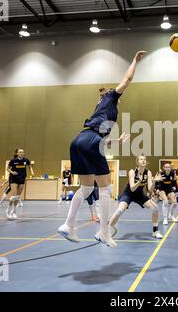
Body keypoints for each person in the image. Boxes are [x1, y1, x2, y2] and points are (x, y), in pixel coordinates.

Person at [57, 50, 146, 247]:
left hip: (79, 140)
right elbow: (128, 78)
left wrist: (118, 143)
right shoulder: (110, 99)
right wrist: (134, 60)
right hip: (89, 141)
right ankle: (104, 232)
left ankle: (68, 226)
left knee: (87, 187)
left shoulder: (103, 111)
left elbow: (99, 141)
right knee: (106, 189)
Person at [109, 155, 164, 239]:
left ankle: (155, 231)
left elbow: (149, 189)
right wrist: (139, 181)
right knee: (119, 211)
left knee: (155, 208)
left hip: (139, 195)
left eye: (145, 159)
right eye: (141, 159)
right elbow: (132, 188)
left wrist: (154, 182)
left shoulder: (148, 172)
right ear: (137, 162)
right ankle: (107, 230)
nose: (143, 161)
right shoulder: (132, 171)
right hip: (128, 194)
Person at [6, 149, 34, 219]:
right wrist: (12, 172)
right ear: (17, 153)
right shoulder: (13, 160)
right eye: (20, 152)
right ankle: (8, 210)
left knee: (18, 196)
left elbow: (30, 166)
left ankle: (14, 212)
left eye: (22, 152)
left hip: (22, 179)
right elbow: (8, 168)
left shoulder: (26, 160)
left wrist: (32, 172)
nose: (21, 153)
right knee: (14, 195)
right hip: (13, 178)